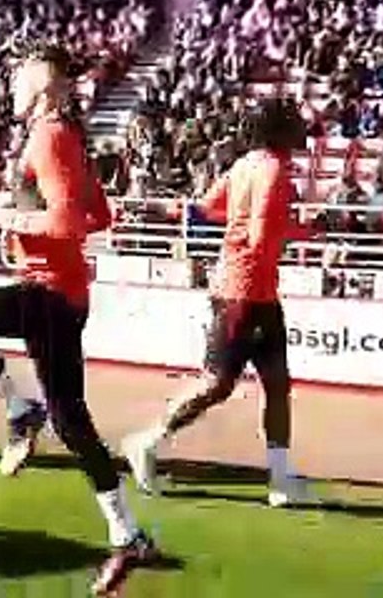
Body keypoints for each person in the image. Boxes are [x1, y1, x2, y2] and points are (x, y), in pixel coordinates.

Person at [0, 44, 158, 596]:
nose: (10, 86)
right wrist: (23, 222)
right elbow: (102, 214)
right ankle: (129, 536)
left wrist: (3, 216)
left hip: (49, 293)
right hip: (58, 294)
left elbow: (71, 223)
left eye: (19, 76)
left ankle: (18, 407)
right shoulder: (65, 136)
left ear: (45, 86)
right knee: (72, 423)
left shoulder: (50, 136)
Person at [121, 97, 311, 509]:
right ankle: (146, 442)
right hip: (244, 290)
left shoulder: (245, 164)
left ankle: (281, 480)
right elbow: (261, 236)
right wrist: (302, 231)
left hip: (249, 288)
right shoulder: (274, 169)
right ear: (279, 129)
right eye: (293, 122)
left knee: (277, 384)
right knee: (217, 384)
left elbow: (209, 206)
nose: (300, 128)